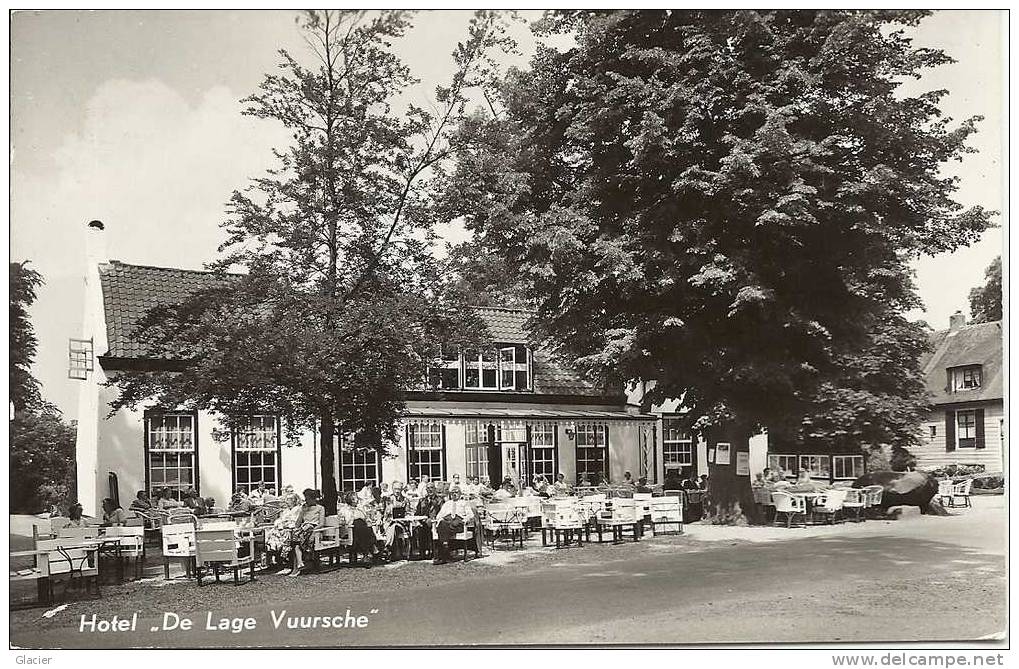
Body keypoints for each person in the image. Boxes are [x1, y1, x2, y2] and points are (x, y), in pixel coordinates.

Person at [285, 489, 325, 576]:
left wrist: (313, 533)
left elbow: (321, 524)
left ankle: (297, 567)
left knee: (296, 539)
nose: (306, 500)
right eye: (305, 498)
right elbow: (297, 524)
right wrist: (302, 512)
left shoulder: (320, 508)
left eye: (307, 498)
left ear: (313, 499)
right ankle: (300, 564)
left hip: (314, 530)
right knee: (295, 540)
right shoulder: (304, 508)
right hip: (303, 530)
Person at [264, 493, 303, 571]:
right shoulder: (286, 510)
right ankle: (274, 561)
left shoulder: (298, 509)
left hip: (291, 528)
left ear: (294, 500)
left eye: (289, 499)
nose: (287, 501)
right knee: (270, 536)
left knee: (284, 538)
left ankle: (282, 560)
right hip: (282, 528)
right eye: (287, 499)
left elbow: (295, 521)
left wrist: (285, 525)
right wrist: (279, 524)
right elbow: (280, 519)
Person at [433, 488, 472, 565]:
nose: (454, 494)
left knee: (448, 525)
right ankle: (445, 545)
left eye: (456, 492)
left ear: (460, 494)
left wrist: (465, 519)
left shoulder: (464, 503)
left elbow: (471, 514)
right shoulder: (447, 503)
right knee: (442, 523)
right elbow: (439, 515)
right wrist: (441, 519)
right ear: (450, 494)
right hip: (447, 520)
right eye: (452, 493)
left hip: (458, 521)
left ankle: (443, 553)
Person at [414, 484, 444, 559]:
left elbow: (443, 513)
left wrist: (433, 519)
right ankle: (422, 553)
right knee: (419, 529)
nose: (430, 490)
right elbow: (417, 513)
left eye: (431, 488)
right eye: (428, 488)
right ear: (426, 490)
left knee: (431, 528)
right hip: (423, 522)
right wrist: (420, 520)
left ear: (435, 489)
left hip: (436, 522)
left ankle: (433, 552)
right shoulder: (422, 500)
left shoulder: (440, 500)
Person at [383, 482, 411, 560]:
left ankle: (388, 547)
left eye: (399, 489)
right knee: (393, 527)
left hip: (401, 522)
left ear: (402, 489)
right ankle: (394, 552)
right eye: (395, 489)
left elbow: (408, 512)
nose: (397, 491)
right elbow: (382, 511)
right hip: (389, 521)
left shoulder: (405, 500)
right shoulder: (387, 499)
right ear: (392, 489)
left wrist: (406, 515)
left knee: (395, 527)